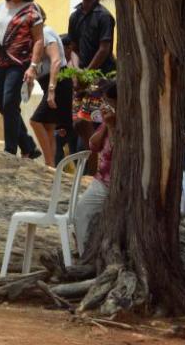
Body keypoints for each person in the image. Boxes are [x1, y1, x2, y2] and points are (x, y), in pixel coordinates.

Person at [0, 0, 43, 159]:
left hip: (19, 63)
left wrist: (33, 66)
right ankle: (28, 145)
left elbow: (38, 40)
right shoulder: (0, 6)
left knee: (10, 102)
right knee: (3, 106)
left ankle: (10, 149)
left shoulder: (31, 9)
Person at [67, 0, 115, 157]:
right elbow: (73, 48)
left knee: (92, 121)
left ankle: (96, 160)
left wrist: (87, 74)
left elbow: (104, 49)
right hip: (82, 77)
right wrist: (76, 72)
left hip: (101, 78)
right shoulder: (75, 16)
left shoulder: (104, 16)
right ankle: (91, 158)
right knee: (78, 123)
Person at [73, 81, 116, 253]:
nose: (105, 106)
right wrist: (107, 125)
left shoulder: (131, 123)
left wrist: (113, 126)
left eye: (109, 102)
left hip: (117, 183)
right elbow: (93, 145)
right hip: (102, 181)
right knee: (82, 211)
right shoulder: (108, 122)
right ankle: (84, 253)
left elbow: (117, 151)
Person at [28, 20, 72, 167]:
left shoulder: (45, 33)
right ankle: (51, 166)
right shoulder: (36, 38)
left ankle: (48, 163)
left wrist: (51, 91)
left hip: (58, 83)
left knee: (35, 121)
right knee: (48, 126)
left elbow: (56, 61)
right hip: (49, 83)